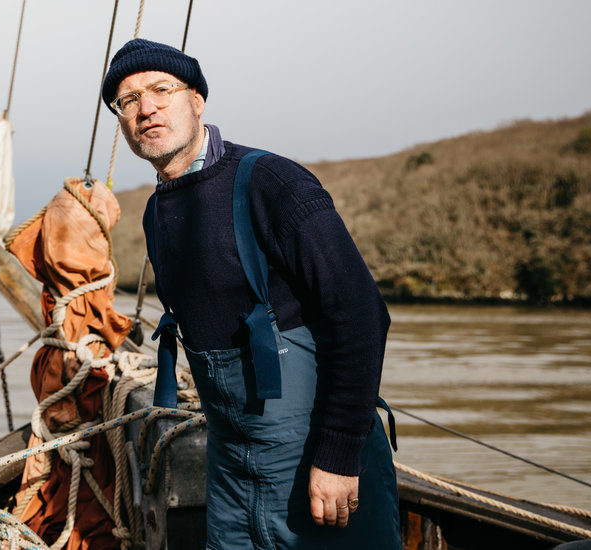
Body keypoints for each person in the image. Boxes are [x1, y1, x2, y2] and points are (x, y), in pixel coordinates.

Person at [101, 38, 402, 549]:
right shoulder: (158, 212)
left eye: (160, 89)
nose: (145, 108)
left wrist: (338, 454)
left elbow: (361, 316)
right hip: (231, 466)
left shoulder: (272, 184)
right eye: (127, 101)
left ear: (196, 101)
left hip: (312, 459)